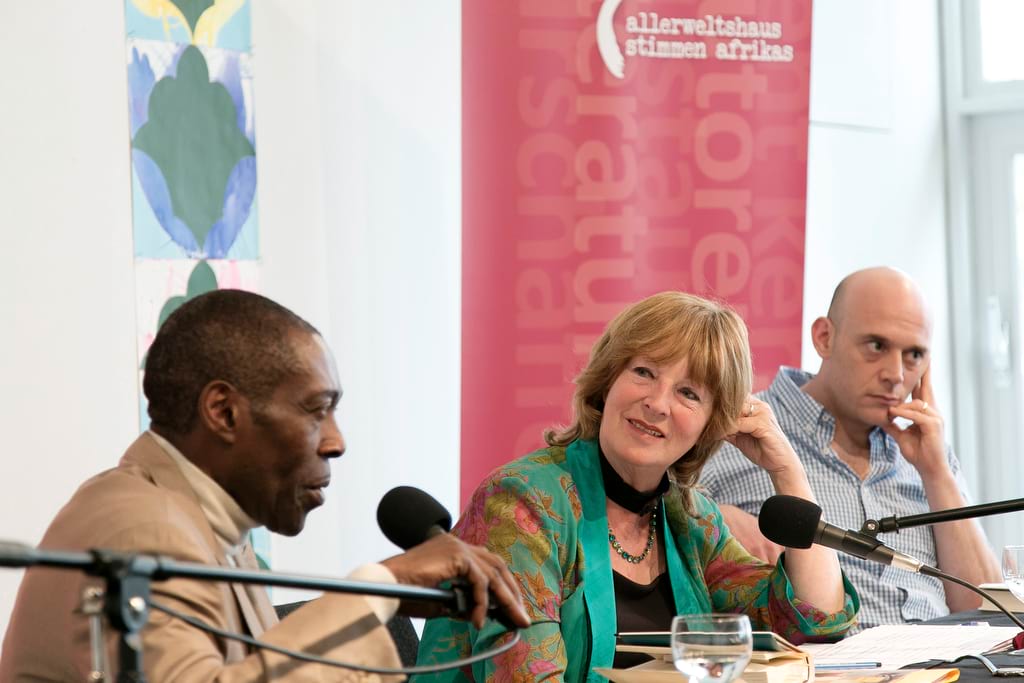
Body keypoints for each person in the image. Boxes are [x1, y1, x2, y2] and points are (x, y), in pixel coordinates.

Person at [0, 289, 529, 682]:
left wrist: (383, 598)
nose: (336, 442)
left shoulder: (200, 518)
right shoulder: (149, 528)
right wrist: (381, 585)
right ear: (224, 412)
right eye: (316, 411)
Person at [414, 292, 859, 682]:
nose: (657, 403)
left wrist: (788, 471)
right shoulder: (522, 504)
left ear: (712, 425)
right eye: (644, 372)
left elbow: (811, 621)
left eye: (689, 393)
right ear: (608, 381)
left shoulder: (691, 518)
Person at [701, 267, 1000, 630]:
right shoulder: (738, 432)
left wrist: (936, 472)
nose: (895, 374)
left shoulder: (928, 454)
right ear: (824, 337)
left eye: (914, 356)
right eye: (876, 346)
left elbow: (987, 612)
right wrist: (711, 517)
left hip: (947, 667)